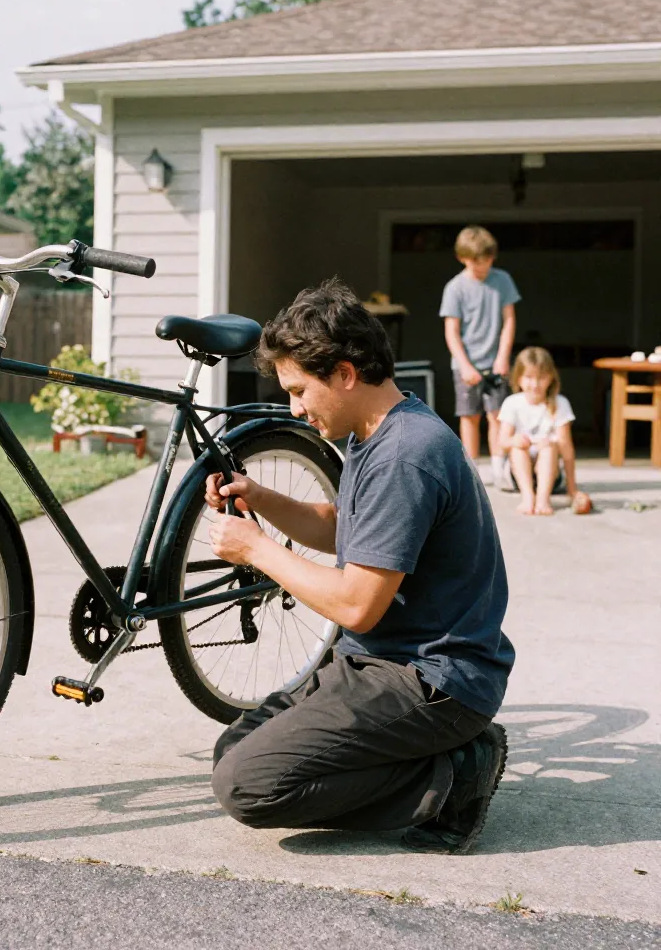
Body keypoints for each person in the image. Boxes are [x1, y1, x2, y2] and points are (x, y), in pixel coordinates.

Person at [207, 279, 513, 854]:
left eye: (299, 390)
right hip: (382, 663)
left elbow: (357, 605)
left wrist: (255, 550)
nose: (292, 407)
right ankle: (435, 761)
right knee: (234, 751)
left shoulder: (404, 455)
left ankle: (453, 776)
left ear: (344, 373)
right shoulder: (380, 433)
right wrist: (261, 497)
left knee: (247, 786)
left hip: (432, 678)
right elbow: (341, 526)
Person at [439, 226, 521, 486]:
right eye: (476, 260)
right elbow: (451, 332)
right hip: (466, 364)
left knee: (497, 415)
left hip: (495, 361)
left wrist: (502, 357)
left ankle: (499, 467)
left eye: (487, 259)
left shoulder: (502, 280)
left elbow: (509, 321)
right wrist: (465, 366)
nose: (483, 264)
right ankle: (472, 469)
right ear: (463, 258)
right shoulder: (455, 288)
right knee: (469, 416)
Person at [498, 346, 589, 516]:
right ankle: (527, 497)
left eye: (541, 378)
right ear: (518, 378)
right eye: (529, 377)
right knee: (518, 448)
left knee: (549, 446)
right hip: (518, 477)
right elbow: (502, 443)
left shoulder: (560, 404)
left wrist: (572, 490)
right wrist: (514, 441)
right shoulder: (512, 403)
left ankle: (542, 499)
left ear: (551, 378)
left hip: (551, 478)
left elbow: (567, 450)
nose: (535, 384)